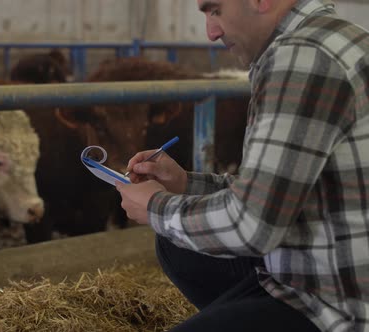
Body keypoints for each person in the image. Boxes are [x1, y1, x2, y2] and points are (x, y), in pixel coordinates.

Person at [115, 0, 369, 331]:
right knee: (175, 244)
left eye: (215, 10)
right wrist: (185, 184)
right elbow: (274, 191)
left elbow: (254, 225)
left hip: (336, 301)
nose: (211, 32)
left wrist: (154, 207)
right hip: (318, 266)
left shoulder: (304, 56)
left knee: (173, 233)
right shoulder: (338, 39)